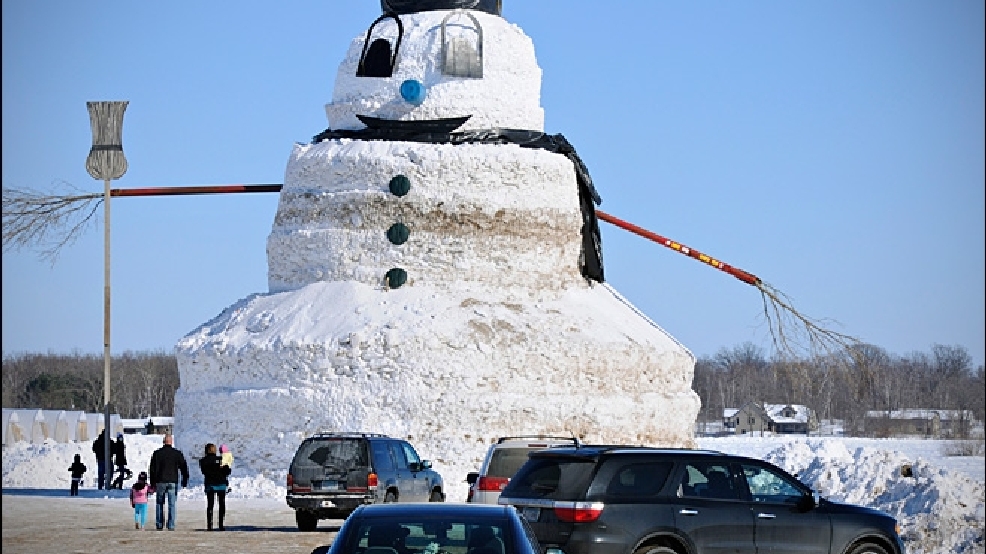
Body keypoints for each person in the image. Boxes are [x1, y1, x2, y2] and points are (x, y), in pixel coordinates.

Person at [148, 433, 189, 530]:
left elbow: (152, 469)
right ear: (171, 442)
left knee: (159, 503)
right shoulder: (177, 453)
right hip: (172, 481)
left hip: (160, 481)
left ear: (163, 442)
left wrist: (152, 482)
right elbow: (184, 467)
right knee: (172, 504)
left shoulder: (157, 453)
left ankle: (159, 524)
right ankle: (171, 525)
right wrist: (185, 479)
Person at [198, 443, 232, 531]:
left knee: (210, 505)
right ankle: (221, 524)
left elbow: (204, 472)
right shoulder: (221, 459)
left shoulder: (203, 461)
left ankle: (210, 525)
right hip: (221, 484)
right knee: (221, 504)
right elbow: (227, 471)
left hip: (210, 484)